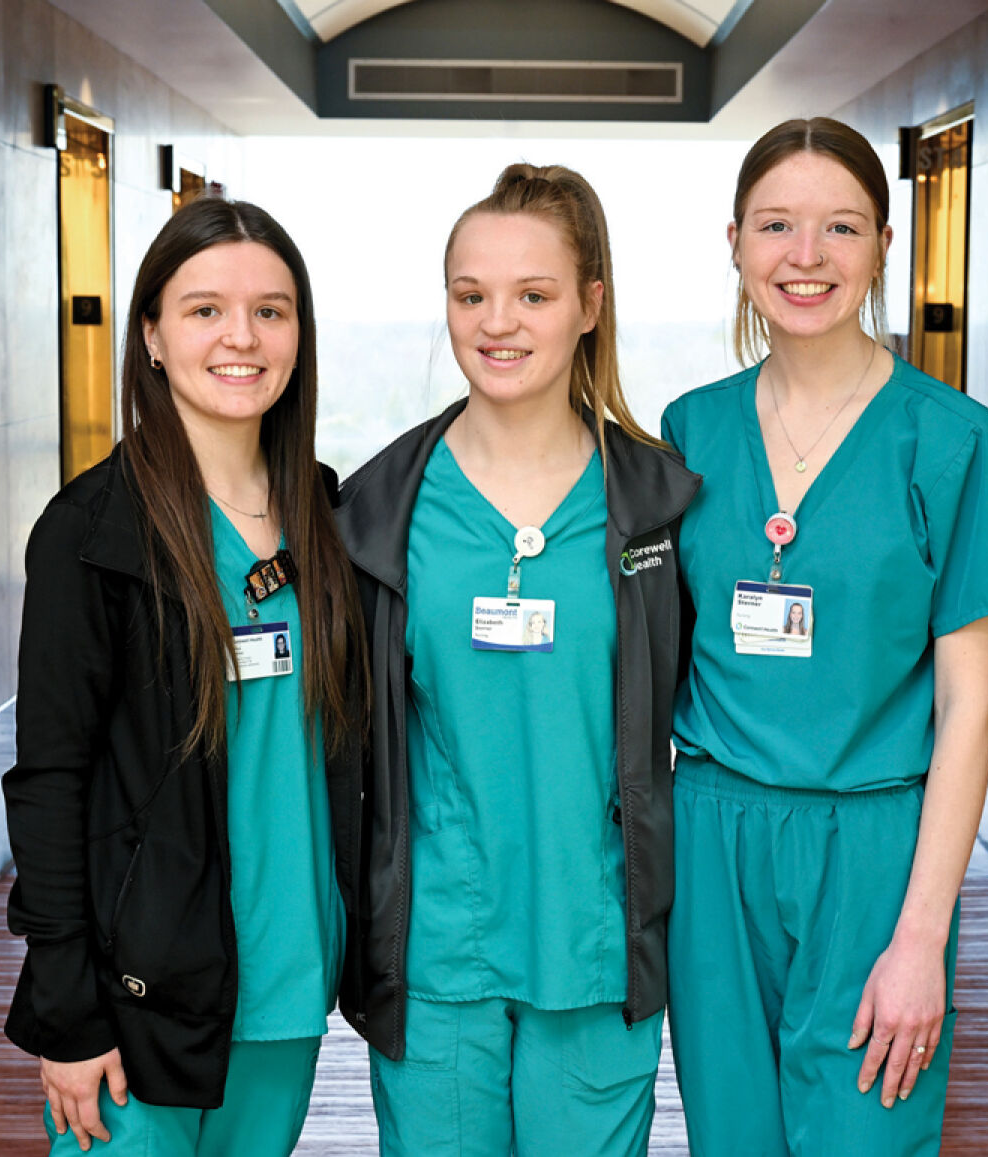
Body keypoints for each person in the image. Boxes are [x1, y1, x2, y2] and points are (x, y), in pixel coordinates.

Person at [662, 118, 988, 1156]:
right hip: (714, 840)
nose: (806, 255)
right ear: (735, 241)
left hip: (876, 849)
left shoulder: (957, 443)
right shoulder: (690, 431)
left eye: (840, 227)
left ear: (881, 244)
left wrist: (922, 933)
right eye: (777, 225)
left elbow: (968, 709)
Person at [335, 163, 700, 1156]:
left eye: (532, 294)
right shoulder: (376, 514)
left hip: (595, 944)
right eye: (471, 294)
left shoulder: (660, 508)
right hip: (436, 950)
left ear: (590, 304)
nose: (498, 321)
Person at [2, 196, 365, 1155]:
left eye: (271, 311)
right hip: (135, 998)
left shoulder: (325, 517)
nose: (241, 337)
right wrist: (64, 1010)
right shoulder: (92, 532)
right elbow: (49, 780)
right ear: (153, 335)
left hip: (287, 981)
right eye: (205, 309)